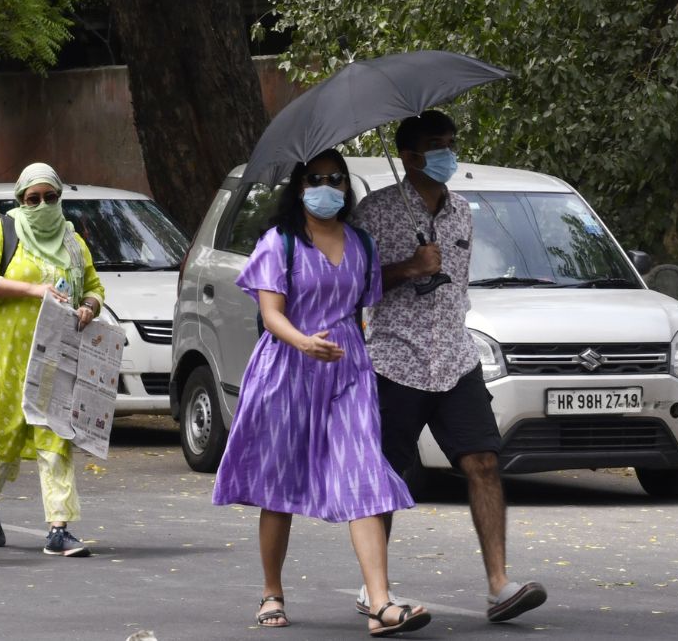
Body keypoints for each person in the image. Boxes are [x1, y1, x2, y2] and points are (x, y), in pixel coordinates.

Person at [212, 149, 431, 636]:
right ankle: (272, 591)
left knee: (366, 475)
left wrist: (418, 265)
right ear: (299, 186)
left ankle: (380, 603)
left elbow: (365, 303)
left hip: (348, 369)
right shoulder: (279, 243)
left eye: (336, 179)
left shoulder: (362, 245)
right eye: (316, 179)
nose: (327, 187)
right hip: (287, 369)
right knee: (279, 487)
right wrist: (304, 342)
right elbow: (271, 315)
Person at [350, 110, 548, 622]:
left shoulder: (462, 211)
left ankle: (499, 585)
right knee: (386, 475)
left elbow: (457, 287)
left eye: (451, 143)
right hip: (396, 358)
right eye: (438, 146)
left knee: (483, 461)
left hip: (455, 358)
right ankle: (376, 591)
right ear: (411, 157)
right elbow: (353, 285)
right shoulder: (374, 213)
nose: (448, 154)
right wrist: (411, 268)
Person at [0, 163, 105, 557]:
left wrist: (89, 308)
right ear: (20, 201)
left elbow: (94, 286)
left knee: (55, 434)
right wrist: (33, 289)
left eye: (51, 197)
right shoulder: (3, 231)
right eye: (33, 198)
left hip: (57, 352)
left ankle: (58, 529)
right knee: (6, 436)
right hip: (9, 352)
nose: (43, 204)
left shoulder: (73, 240)